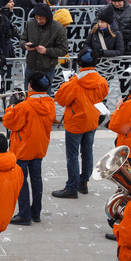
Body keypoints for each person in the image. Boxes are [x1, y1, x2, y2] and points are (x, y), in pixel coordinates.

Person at [52, 49, 108, 200]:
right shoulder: (101, 81)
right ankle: (83, 183)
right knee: (87, 153)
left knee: (72, 156)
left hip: (75, 123)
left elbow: (60, 99)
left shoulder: (74, 83)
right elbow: (103, 95)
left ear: (80, 63)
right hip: (92, 121)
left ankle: (71, 187)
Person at [1, 72, 56, 226]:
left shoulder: (25, 106)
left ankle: (24, 213)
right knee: (37, 180)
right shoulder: (50, 103)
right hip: (39, 147)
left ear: (30, 86)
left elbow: (9, 123)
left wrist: (11, 107)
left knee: (21, 181)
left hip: (23, 148)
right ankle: (36, 212)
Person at [20, 3, 69, 95]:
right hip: (31, 66)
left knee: (45, 96)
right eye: (36, 18)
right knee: (28, 95)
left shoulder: (58, 28)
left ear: (47, 17)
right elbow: (22, 39)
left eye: (41, 18)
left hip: (47, 69)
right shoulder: (30, 24)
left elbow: (63, 50)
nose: (38, 21)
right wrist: (25, 45)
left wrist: (46, 51)